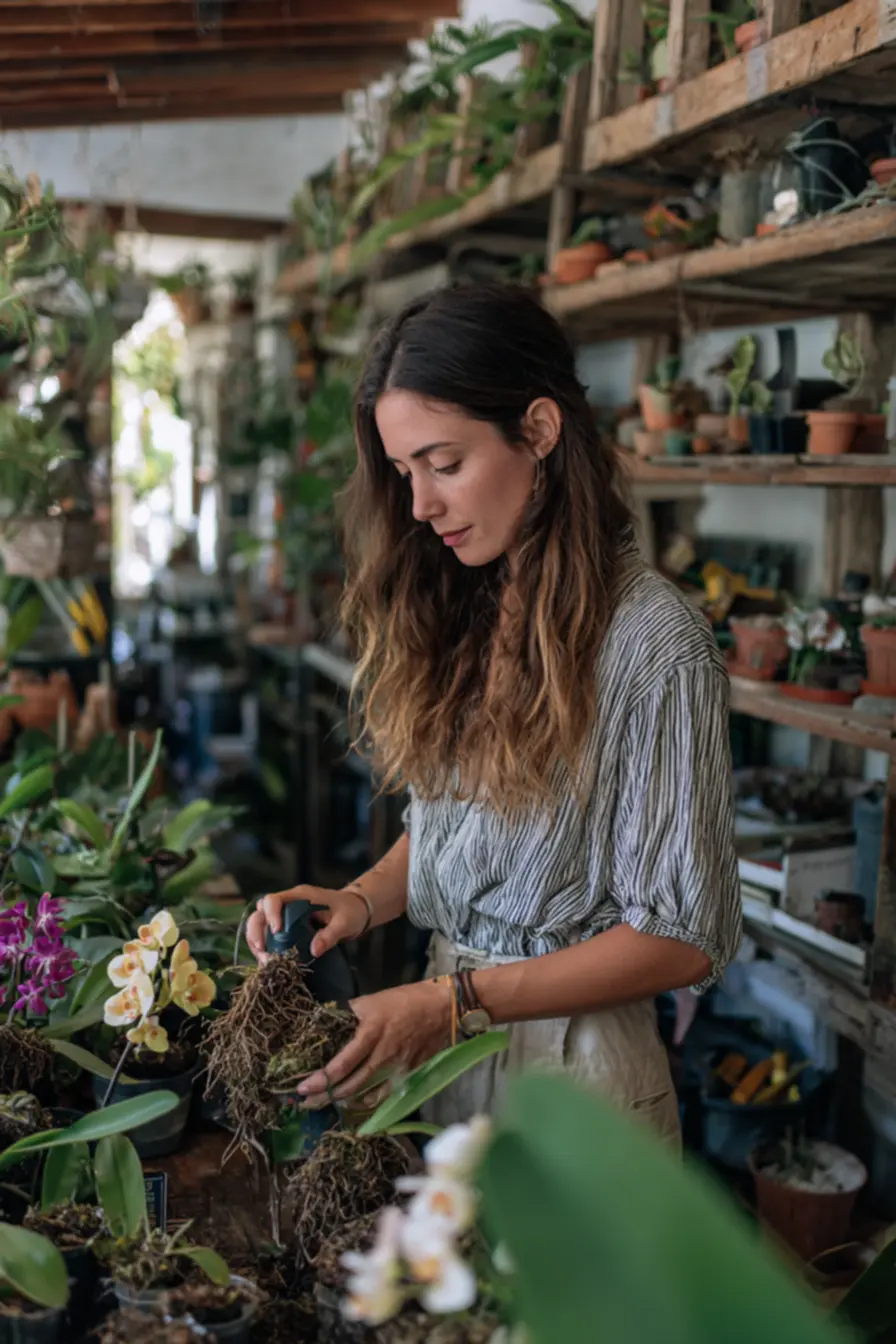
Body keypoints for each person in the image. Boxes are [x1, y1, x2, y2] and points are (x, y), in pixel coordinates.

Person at [247, 283, 741, 1143]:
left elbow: (685, 937)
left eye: (444, 464)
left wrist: (456, 1002)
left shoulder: (654, 642)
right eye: (405, 473)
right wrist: (358, 902)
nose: (420, 505)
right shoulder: (474, 597)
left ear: (540, 432)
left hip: (575, 1076)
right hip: (450, 1048)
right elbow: (469, 824)